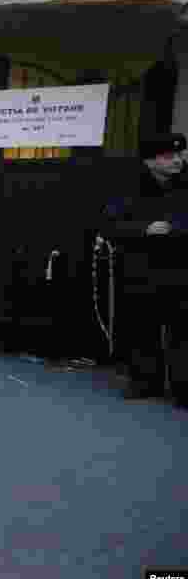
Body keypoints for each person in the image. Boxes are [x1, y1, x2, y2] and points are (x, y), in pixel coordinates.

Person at [101, 132, 188, 406]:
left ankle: (183, 388)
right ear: (150, 161)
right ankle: (144, 381)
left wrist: (176, 229)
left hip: (181, 266)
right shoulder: (127, 185)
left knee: (183, 330)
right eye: (169, 156)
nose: (177, 160)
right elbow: (109, 224)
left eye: (180, 154)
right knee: (141, 326)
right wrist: (143, 229)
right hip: (141, 267)